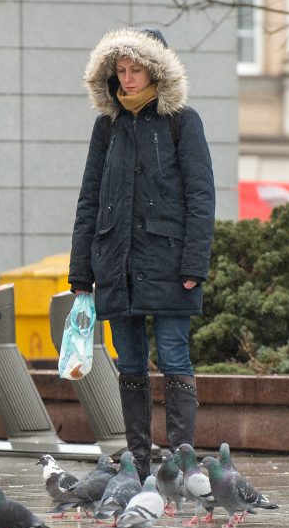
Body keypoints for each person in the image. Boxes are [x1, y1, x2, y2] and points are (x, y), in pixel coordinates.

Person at [68, 27, 215, 482]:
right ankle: (136, 463)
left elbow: (200, 195)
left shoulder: (181, 121)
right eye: (120, 71)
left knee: (174, 356)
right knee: (129, 363)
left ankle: (182, 462)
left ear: (157, 71)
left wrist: (194, 263)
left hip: (170, 263)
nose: (127, 79)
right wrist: (81, 272)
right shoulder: (107, 126)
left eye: (135, 70)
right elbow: (89, 199)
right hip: (116, 263)